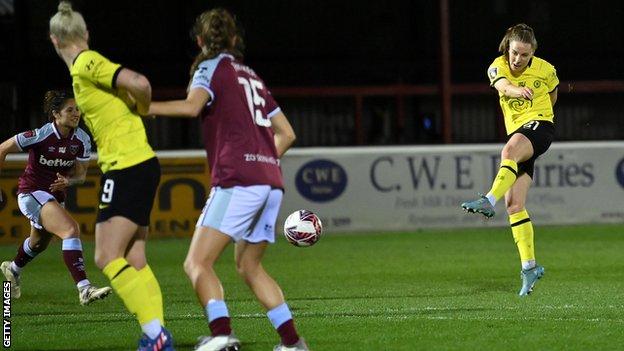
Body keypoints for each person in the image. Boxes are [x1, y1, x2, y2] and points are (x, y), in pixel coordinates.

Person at [148, 8, 306, 351]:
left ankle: (221, 336)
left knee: (196, 263)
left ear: (202, 41)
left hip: (238, 179)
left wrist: (146, 108)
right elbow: (288, 134)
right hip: (270, 180)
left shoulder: (209, 67)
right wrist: (263, 161)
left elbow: (192, 107)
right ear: (235, 40)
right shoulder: (252, 76)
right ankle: (293, 343)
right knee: (249, 266)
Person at [48, 2, 173, 350]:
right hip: (141, 163)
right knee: (134, 257)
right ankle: (157, 337)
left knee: (105, 255)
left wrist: (144, 106)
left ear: (54, 39)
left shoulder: (85, 62)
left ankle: (156, 335)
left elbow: (140, 82)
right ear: (84, 32)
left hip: (128, 165)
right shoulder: (83, 70)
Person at [461, 23, 559, 296]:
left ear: (532, 54)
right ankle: (529, 268)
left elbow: (553, 93)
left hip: (540, 127)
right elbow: (503, 87)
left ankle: (487, 200)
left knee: (508, 152)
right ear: (508, 48)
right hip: (521, 132)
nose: (518, 59)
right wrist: (518, 91)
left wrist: (541, 111)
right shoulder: (497, 66)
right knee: (515, 204)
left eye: (525, 55)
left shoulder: (546, 69)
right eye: (515, 53)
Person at [0, 90, 112, 305]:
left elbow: (81, 174)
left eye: (77, 109)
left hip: (54, 196)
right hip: (31, 192)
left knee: (38, 243)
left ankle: (13, 269)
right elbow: (2, 148)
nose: (76, 113)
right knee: (70, 229)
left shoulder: (82, 139)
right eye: (70, 110)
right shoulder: (41, 135)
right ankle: (85, 289)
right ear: (55, 114)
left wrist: (69, 182)